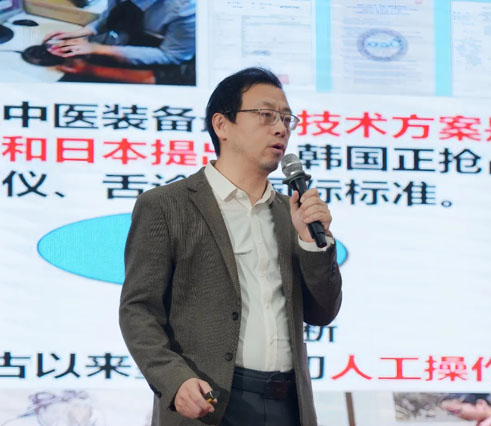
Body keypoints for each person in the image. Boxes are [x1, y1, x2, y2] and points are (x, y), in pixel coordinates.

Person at [119, 67, 342, 425]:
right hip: (211, 403)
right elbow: (138, 310)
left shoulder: (292, 213)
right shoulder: (166, 205)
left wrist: (312, 243)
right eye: (266, 114)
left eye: (287, 119)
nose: (281, 128)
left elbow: (322, 313)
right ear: (222, 125)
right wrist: (174, 380)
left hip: (289, 405)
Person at [42, 0, 195, 84]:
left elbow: (172, 55)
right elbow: (111, 16)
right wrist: (83, 32)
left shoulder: (185, 8)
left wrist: (98, 49)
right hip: (120, 48)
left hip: (154, 69)